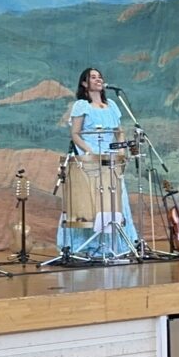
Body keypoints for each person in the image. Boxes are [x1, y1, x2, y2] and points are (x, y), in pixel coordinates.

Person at [57, 67, 139, 256]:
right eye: (93, 77)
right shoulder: (81, 105)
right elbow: (75, 134)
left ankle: (117, 246)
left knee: (116, 199)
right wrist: (91, 152)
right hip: (91, 158)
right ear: (85, 84)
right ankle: (88, 246)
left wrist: (120, 149)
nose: (98, 79)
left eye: (99, 77)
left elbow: (119, 131)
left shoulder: (111, 104)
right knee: (92, 202)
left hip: (112, 159)